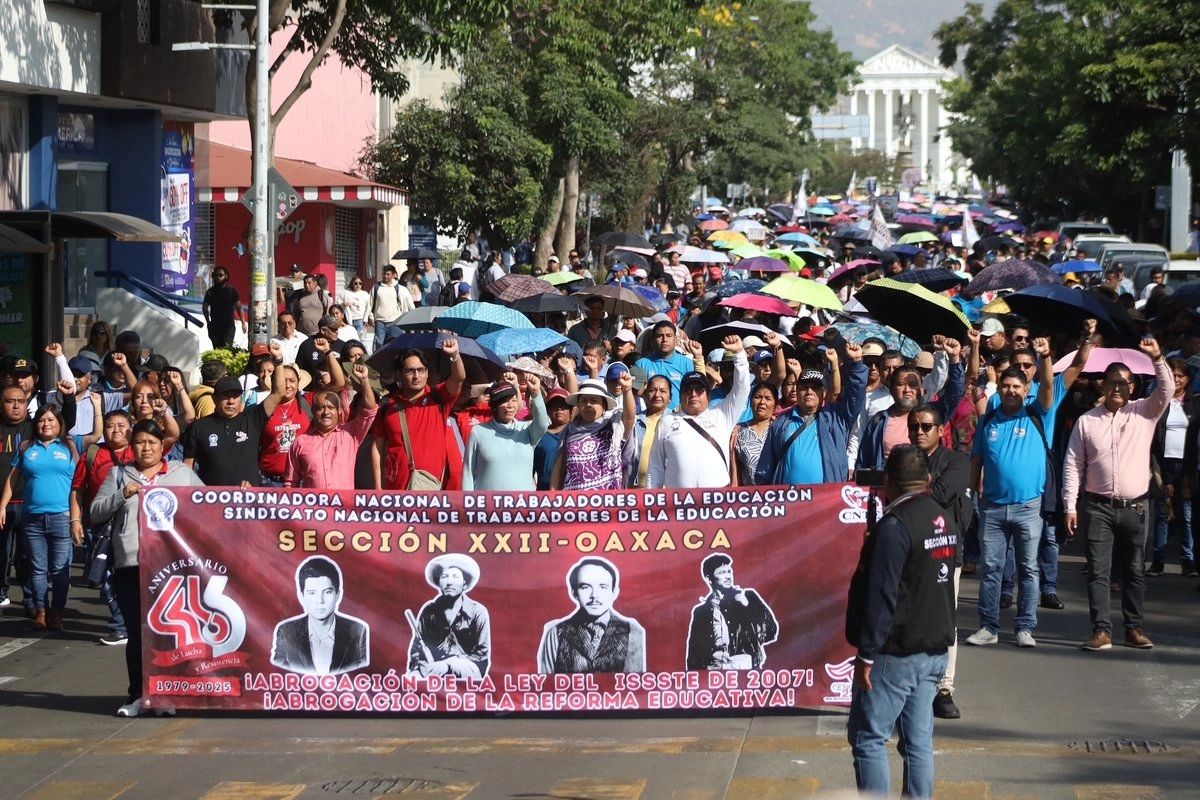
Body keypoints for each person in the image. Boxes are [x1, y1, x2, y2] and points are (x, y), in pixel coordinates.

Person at [846, 445, 956, 799]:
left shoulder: (894, 526)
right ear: (927, 479)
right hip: (933, 647)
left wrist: (866, 654)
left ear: (888, 482)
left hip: (895, 653)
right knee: (918, 742)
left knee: (869, 738)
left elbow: (882, 595)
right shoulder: (942, 516)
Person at [90, 419, 205, 717]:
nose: (146, 448)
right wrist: (122, 495)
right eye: (140, 442)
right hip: (131, 565)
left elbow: (210, 504)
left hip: (171, 568)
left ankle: (167, 694)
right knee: (137, 633)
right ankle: (137, 695)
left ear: (163, 446)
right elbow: (95, 513)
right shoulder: (118, 474)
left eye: (152, 442)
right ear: (132, 445)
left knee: (168, 633)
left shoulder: (181, 473)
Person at [1064, 338, 1172, 651]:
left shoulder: (1146, 412)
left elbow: (1165, 389)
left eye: (1123, 383)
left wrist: (1158, 357)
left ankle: (1134, 627)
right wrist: (1070, 506)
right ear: (1103, 386)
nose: (1117, 388)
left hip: (1136, 508)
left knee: (1134, 571)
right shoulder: (1087, 421)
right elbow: (1073, 465)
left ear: (1132, 389)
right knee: (1098, 572)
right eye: (1112, 383)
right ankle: (1101, 630)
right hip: (1097, 507)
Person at [967, 349, 1054, 649]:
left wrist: (1045, 358)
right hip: (991, 507)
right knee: (991, 569)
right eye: (1006, 386)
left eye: (1017, 387)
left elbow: (1049, 388)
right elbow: (976, 460)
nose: (1011, 391)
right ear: (999, 389)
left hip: (1029, 506)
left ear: (1026, 389)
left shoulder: (1038, 413)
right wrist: (969, 495)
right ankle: (988, 627)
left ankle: (1025, 627)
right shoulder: (988, 420)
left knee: (1028, 568)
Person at [907, 404, 973, 721]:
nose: (919, 431)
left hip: (944, 553)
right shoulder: (903, 459)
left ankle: (944, 687)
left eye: (926, 426)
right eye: (914, 426)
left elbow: (943, 494)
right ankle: (913, 683)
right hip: (907, 551)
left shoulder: (957, 461)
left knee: (945, 620)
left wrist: (913, 488)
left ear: (940, 429)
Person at [0, 405, 77, 631]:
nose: (46, 424)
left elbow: (78, 485)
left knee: (61, 570)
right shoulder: (26, 447)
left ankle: (57, 612)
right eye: (42, 420)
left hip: (62, 517)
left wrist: (77, 518)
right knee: (37, 568)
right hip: (32, 518)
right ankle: (41, 611)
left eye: (51, 420)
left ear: (60, 424)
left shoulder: (69, 447)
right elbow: (12, 480)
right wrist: (2, 506)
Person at [756, 344, 867, 485]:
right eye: (804, 387)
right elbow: (765, 469)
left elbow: (855, 395)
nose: (809, 392)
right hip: (789, 502)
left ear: (824, 393)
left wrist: (856, 362)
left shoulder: (837, 418)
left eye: (815, 388)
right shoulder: (781, 422)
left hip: (827, 501)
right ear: (797, 391)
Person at [648, 336, 750, 488]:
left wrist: (740, 355)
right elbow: (655, 467)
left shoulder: (722, 414)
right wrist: (652, 503)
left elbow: (742, 389)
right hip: (678, 506)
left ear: (708, 395)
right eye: (688, 390)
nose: (693, 394)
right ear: (680, 395)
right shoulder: (667, 421)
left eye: (699, 390)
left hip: (716, 504)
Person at [372, 337, 466, 490]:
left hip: (430, 490)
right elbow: (377, 448)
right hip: (395, 490)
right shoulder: (387, 405)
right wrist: (377, 487)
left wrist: (455, 355)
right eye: (410, 371)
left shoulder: (439, 397)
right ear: (399, 375)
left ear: (427, 373)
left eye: (420, 370)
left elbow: (459, 378)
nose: (416, 376)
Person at [537, 557, 646, 674]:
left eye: (603, 587)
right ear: (574, 593)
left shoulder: (632, 631)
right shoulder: (556, 632)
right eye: (585, 587)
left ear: (614, 592)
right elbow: (546, 685)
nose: (594, 595)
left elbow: (636, 686)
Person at [270, 555, 370, 676]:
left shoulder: (358, 631)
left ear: (338, 594)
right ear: (301, 596)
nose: (320, 600)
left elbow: (364, 675)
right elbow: (277, 675)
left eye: (327, 592)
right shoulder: (286, 632)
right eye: (312, 593)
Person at [284, 365, 378, 490]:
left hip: (344, 508)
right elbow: (290, 483)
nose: (325, 412)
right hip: (313, 508)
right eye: (320, 408)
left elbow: (370, 410)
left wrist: (365, 380)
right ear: (313, 411)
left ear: (339, 411)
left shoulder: (350, 434)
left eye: (330, 407)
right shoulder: (300, 442)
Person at [686, 554, 778, 670]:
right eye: (722, 573)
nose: (728, 576)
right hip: (715, 675)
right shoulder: (702, 611)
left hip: (746, 672)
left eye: (729, 571)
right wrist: (710, 656)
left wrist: (748, 607)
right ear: (709, 578)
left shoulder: (748, 597)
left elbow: (771, 632)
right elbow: (694, 654)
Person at [406, 553, 490, 679]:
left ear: (465, 584)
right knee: (412, 678)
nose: (449, 582)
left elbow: (481, 655)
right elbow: (416, 649)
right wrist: (421, 666)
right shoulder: (429, 611)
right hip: (432, 670)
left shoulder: (478, 612)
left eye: (455, 577)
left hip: (467, 670)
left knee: (462, 667)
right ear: (439, 583)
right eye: (444, 577)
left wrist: (448, 665)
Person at [463, 372, 548, 490]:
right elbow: (468, 473)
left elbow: (543, 423)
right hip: (488, 506)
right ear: (494, 406)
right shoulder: (478, 431)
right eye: (504, 401)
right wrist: (468, 505)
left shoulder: (526, 430)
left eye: (513, 400)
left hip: (523, 505)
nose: (510, 405)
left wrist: (536, 393)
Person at [1151, 359, 1197, 576]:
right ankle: (1158, 559)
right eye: (1173, 375)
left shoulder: (1194, 404)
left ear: (1188, 379)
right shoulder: (1161, 402)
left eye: (1180, 376)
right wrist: (1161, 476)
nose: (1177, 379)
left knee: (1186, 515)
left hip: (1186, 464)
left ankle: (1188, 560)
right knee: (1163, 513)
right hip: (1165, 462)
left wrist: (1188, 476)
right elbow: (1155, 440)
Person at [182, 377, 271, 487]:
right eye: (225, 396)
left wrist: (278, 360)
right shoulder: (199, 426)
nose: (231, 401)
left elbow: (278, 393)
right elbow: (187, 465)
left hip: (248, 498)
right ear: (214, 398)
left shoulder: (253, 419)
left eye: (235, 396)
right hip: (211, 499)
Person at [551, 378, 637, 491]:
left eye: (594, 400)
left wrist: (627, 390)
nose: (588, 404)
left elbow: (630, 417)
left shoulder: (613, 426)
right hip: (574, 501)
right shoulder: (569, 431)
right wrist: (554, 498)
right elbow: (559, 470)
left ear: (604, 406)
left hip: (607, 501)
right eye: (583, 401)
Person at [732, 384, 777, 485]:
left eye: (768, 398)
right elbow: (735, 467)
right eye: (758, 397)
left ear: (775, 403)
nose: (762, 402)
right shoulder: (738, 431)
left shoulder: (780, 428)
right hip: (748, 497)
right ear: (750, 401)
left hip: (777, 495)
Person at [367, 265, 415, 351]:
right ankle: (378, 362)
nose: (385, 276)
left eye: (388, 274)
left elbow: (411, 305)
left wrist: (411, 317)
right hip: (380, 321)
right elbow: (369, 304)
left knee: (396, 343)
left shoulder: (400, 288)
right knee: (379, 344)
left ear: (393, 275)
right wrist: (369, 317)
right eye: (384, 274)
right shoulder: (376, 287)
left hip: (395, 321)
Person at [533, 387, 572, 491]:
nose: (559, 409)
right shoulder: (538, 436)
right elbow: (530, 470)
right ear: (548, 410)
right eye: (554, 406)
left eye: (563, 406)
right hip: (545, 495)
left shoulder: (577, 434)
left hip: (574, 495)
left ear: (571, 410)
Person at [202, 267, 244, 348]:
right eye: (216, 275)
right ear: (213, 277)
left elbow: (239, 307)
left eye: (221, 275)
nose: (218, 277)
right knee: (217, 351)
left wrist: (243, 323)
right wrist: (208, 322)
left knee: (227, 350)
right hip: (214, 327)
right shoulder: (210, 292)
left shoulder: (231, 291)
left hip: (229, 326)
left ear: (226, 276)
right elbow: (205, 307)